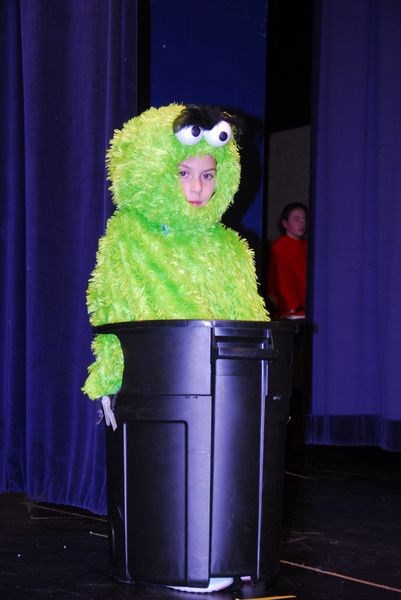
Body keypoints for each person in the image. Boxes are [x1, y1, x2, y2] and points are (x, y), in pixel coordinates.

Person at [267, 202, 308, 319]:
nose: (301, 223)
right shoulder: (279, 247)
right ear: (285, 223)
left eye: (304, 219)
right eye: (296, 219)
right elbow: (279, 279)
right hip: (289, 311)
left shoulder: (307, 246)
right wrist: (291, 305)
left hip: (306, 309)